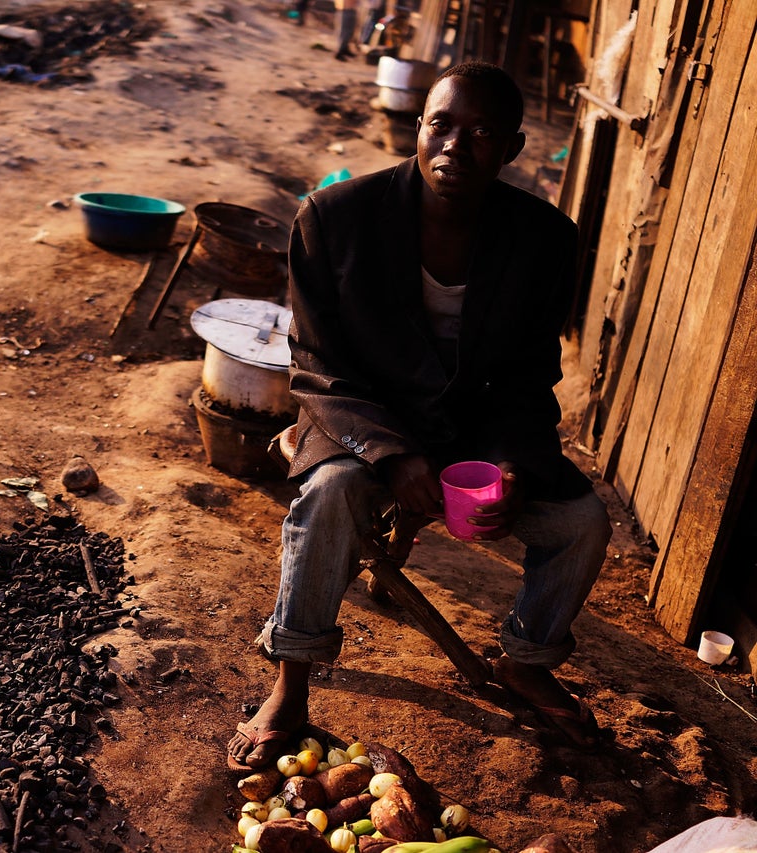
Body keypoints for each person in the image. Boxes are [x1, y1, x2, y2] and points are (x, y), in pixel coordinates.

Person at [227, 62, 612, 771]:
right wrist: (391, 454)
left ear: (512, 150)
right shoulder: (334, 220)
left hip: (474, 432)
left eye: (481, 133)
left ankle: (528, 658)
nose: (455, 146)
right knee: (333, 491)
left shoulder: (546, 242)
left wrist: (512, 464)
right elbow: (314, 365)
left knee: (583, 523)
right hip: (360, 417)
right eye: (441, 124)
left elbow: (530, 375)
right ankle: (291, 679)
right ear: (417, 127)